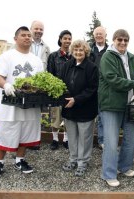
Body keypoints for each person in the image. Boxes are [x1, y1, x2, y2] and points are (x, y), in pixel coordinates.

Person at [0, 26, 44, 179]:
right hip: (10, 105)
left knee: (25, 134)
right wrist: (5, 85)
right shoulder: (7, 56)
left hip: (29, 106)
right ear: (16, 39)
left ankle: (20, 160)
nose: (27, 37)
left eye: (29, 35)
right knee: (6, 133)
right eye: (23, 35)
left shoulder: (36, 60)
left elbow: (41, 81)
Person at [99, 29, 134, 187]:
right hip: (111, 105)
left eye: (125, 40)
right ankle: (108, 173)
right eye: (120, 40)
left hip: (129, 104)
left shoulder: (131, 57)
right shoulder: (107, 56)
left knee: (131, 139)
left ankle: (124, 167)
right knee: (111, 141)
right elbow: (113, 79)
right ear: (113, 40)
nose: (123, 43)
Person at [60, 40, 98, 177]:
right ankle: (73, 159)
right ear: (72, 51)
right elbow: (61, 84)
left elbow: (92, 89)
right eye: (75, 50)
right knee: (72, 136)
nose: (78, 52)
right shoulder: (66, 66)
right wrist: (65, 99)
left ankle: (83, 162)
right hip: (69, 108)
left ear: (86, 51)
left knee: (84, 137)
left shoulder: (91, 68)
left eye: (81, 50)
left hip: (85, 108)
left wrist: (76, 99)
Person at [47, 30, 72, 150]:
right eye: (65, 38)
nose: (67, 41)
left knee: (68, 116)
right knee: (55, 116)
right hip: (56, 93)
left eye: (69, 38)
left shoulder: (73, 56)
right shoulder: (53, 56)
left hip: (70, 92)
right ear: (60, 39)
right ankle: (55, 139)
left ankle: (66, 139)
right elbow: (50, 75)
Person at [28, 20, 50, 150]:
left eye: (41, 29)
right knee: (24, 113)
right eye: (36, 28)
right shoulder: (23, 44)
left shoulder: (46, 47)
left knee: (36, 114)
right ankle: (21, 142)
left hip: (39, 86)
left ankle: (34, 141)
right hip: (24, 85)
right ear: (31, 29)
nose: (38, 31)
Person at [89, 26, 108, 150]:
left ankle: (102, 141)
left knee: (102, 116)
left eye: (101, 34)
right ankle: (88, 141)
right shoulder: (89, 50)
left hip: (104, 88)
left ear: (105, 35)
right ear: (94, 35)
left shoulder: (110, 50)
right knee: (89, 116)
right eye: (97, 34)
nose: (99, 36)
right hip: (90, 86)